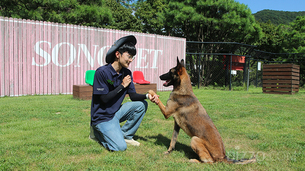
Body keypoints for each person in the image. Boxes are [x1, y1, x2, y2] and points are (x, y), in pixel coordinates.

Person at [90, 35, 159, 151]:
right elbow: (104, 99)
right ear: (118, 55)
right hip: (102, 117)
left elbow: (133, 96)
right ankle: (97, 133)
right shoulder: (101, 72)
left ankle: (126, 135)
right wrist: (122, 86)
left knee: (141, 105)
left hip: (116, 112)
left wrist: (148, 96)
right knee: (120, 147)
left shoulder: (127, 73)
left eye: (133, 57)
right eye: (129, 56)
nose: (131, 60)